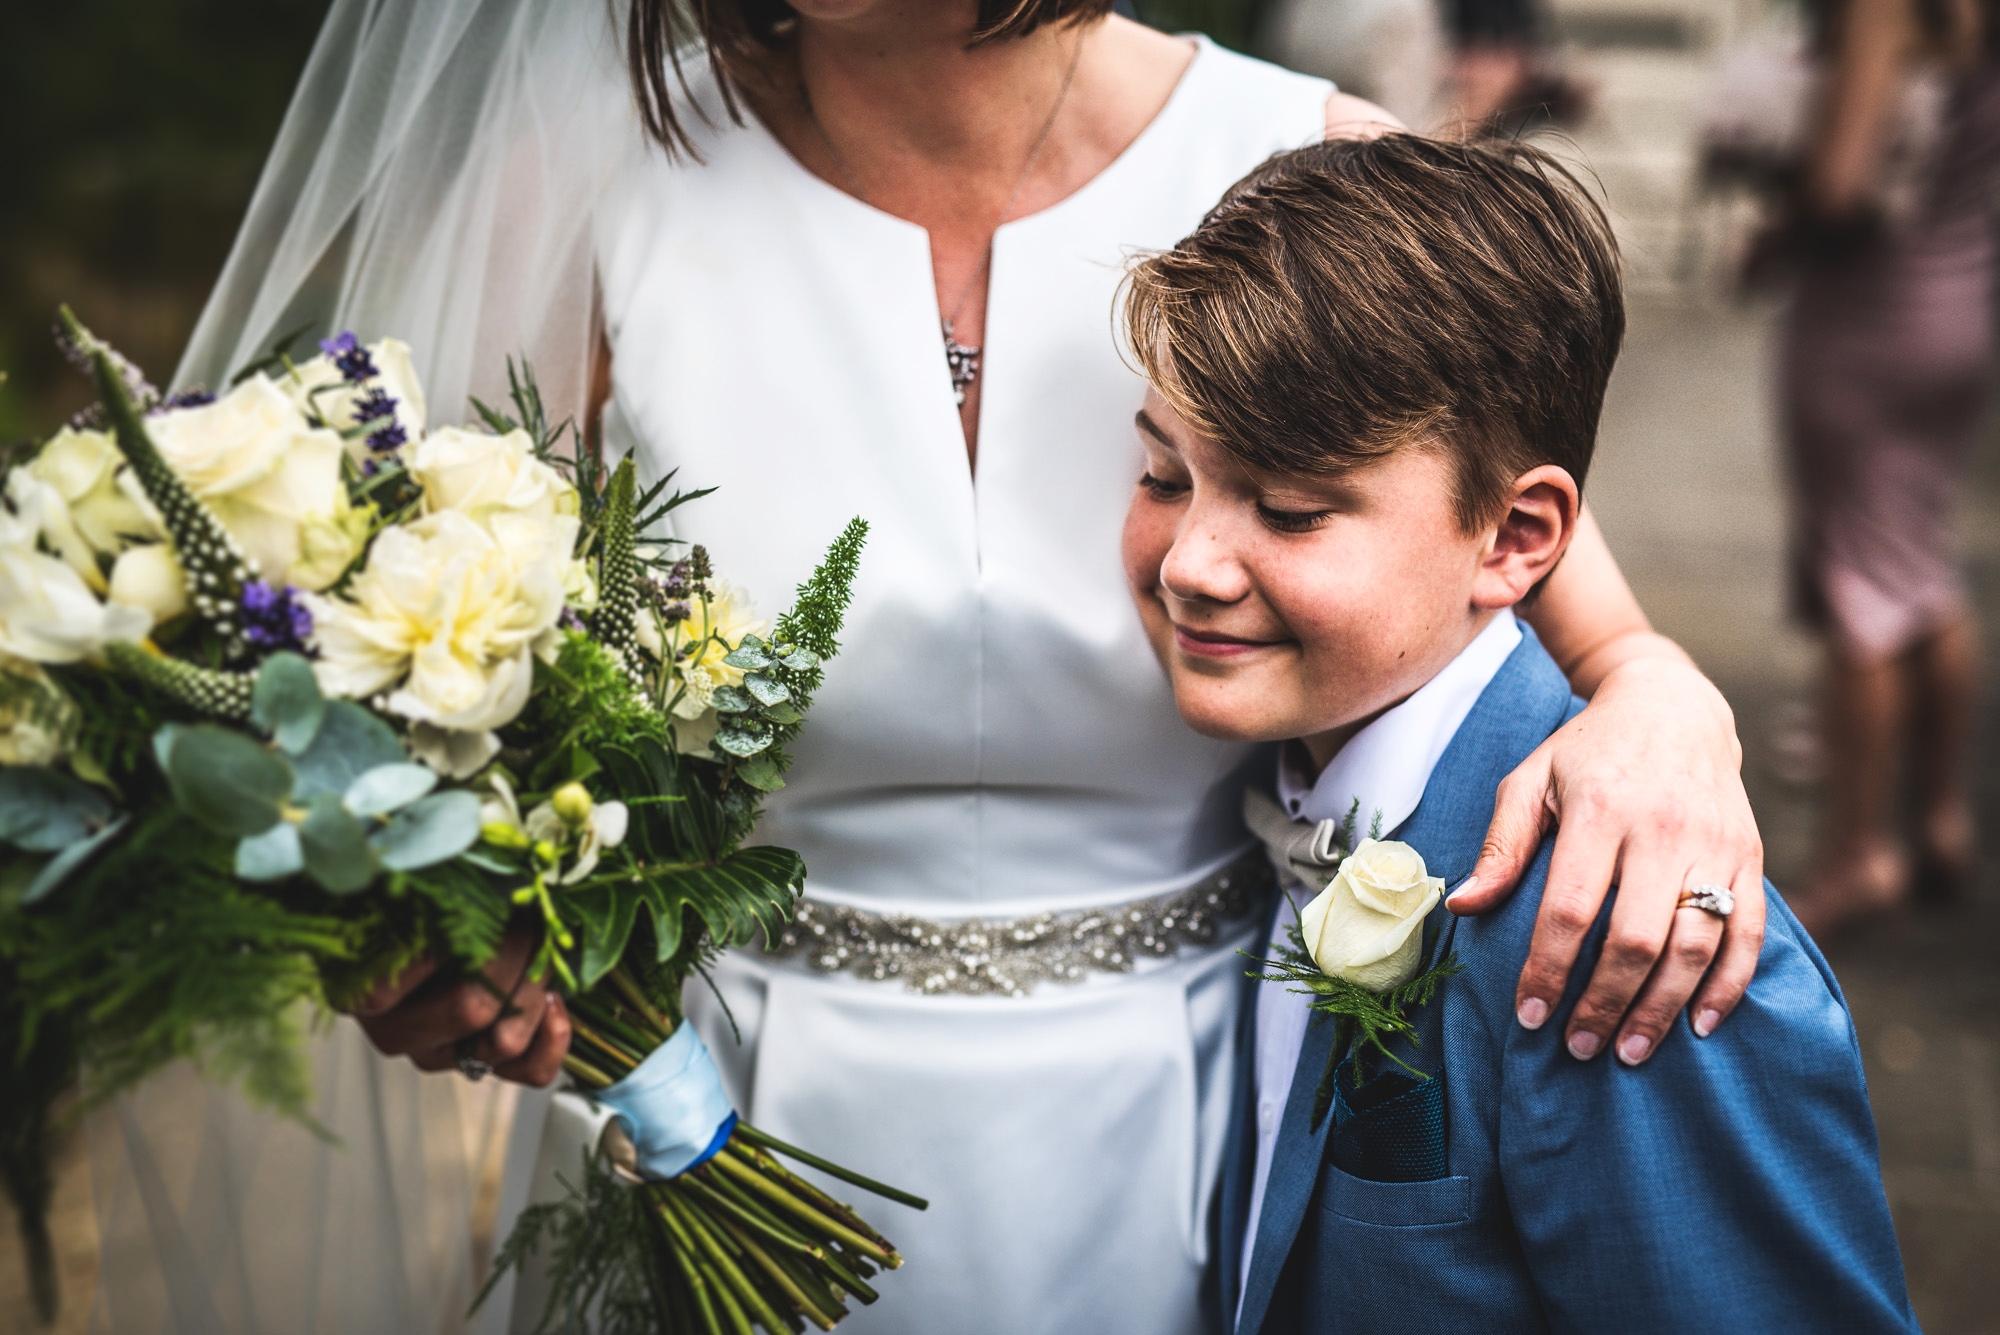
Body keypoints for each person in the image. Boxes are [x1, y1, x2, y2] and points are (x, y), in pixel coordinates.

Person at [123, 2, 1767, 1331]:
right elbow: (406, 667)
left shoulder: (1314, 166)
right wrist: (440, 937)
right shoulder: (587, 188)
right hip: (720, 1117)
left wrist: (1673, 717)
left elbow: (1568, 603)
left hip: (1193, 1139)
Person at [1121, 133, 1915, 1333]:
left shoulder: (1627, 936)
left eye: (1286, 507)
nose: (1188, 566)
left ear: (1513, 538)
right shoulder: (1276, 765)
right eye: (1163, 476)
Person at [1780, 0, 1999, 934]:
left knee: (1859, 589)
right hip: (1963, 307)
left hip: (1870, 319)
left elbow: (1840, 185)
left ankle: (1858, 850)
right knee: (1921, 565)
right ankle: (1941, 817)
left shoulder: (1886, 8)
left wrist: (1771, 181)